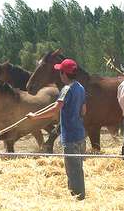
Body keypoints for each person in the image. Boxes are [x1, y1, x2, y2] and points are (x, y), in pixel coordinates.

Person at [26, 58, 87, 200]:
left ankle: (78, 198)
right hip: (80, 135)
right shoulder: (80, 87)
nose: (60, 75)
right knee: (77, 168)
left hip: (70, 136)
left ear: (64, 74)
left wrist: (34, 116)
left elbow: (55, 110)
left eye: (60, 72)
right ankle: (76, 195)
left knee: (72, 170)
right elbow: (84, 110)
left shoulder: (66, 89)